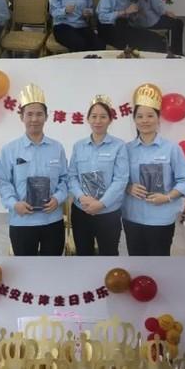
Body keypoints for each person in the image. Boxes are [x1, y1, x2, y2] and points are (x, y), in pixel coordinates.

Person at [0, 84, 68, 256]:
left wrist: (57, 199)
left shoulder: (57, 147)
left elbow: (65, 179)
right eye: (29, 114)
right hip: (22, 221)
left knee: (52, 266)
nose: (34, 119)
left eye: (39, 114)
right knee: (25, 267)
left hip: (52, 220)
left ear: (46, 117)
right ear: (21, 117)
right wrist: (14, 204)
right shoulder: (10, 149)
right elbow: (3, 181)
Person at [122, 84, 185, 255]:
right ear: (134, 120)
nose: (144, 120)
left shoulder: (171, 148)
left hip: (162, 218)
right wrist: (128, 187)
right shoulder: (126, 149)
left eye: (150, 115)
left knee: (159, 259)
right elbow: (118, 178)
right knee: (136, 258)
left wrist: (167, 197)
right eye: (140, 116)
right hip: (132, 216)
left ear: (158, 118)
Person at [67, 96, 129, 255]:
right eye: (94, 116)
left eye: (103, 117)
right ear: (88, 119)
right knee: (83, 253)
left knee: (109, 254)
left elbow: (120, 179)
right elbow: (71, 176)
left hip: (109, 212)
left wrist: (101, 203)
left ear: (110, 120)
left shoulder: (119, 146)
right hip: (82, 210)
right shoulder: (78, 146)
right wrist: (81, 197)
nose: (98, 121)